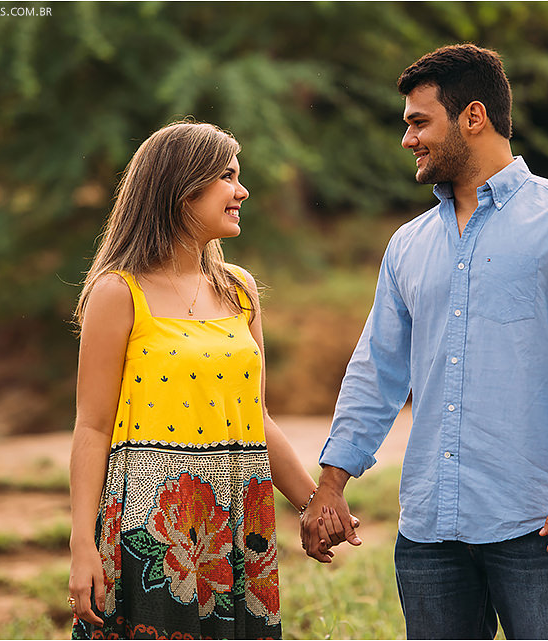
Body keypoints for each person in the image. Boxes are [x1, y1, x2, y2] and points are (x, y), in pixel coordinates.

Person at [300, 44, 548, 639]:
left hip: (537, 522)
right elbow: (377, 370)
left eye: (418, 121)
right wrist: (330, 484)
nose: (407, 138)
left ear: (473, 117)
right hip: (429, 533)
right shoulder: (407, 245)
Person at [68, 120, 337, 640]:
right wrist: (82, 546)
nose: (243, 191)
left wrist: (314, 502)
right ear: (182, 188)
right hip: (151, 527)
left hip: (236, 522)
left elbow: (256, 416)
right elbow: (92, 427)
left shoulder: (239, 290)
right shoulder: (118, 293)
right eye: (227, 176)